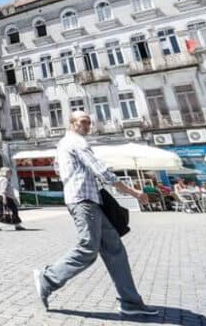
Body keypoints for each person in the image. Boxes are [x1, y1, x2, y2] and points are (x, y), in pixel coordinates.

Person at [33, 111, 157, 316]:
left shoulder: (62, 144)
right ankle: (48, 279)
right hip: (83, 200)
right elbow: (102, 171)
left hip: (90, 200)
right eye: (83, 122)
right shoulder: (76, 142)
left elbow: (57, 169)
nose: (88, 126)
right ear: (72, 123)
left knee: (115, 249)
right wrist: (134, 192)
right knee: (88, 247)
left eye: (89, 122)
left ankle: (131, 302)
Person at [0, 167, 25, 231]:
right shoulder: (4, 179)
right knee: (13, 209)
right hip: (6, 197)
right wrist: (4, 198)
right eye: (9, 172)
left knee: (1, 210)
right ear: (5, 172)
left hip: (4, 196)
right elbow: (3, 190)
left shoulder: (1, 179)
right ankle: (17, 225)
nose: (10, 173)